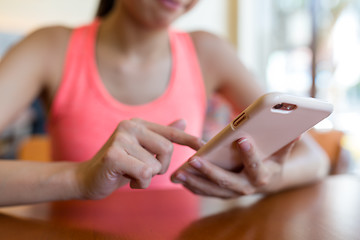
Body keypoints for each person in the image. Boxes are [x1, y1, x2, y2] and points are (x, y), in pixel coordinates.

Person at [0, 0, 329, 206]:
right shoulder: (49, 47)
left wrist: (267, 180)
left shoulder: (209, 52)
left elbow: (315, 158)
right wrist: (80, 179)